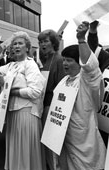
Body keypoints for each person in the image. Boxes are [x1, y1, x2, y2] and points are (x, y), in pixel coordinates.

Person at [55, 21, 106, 170]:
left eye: (69, 60)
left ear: (79, 62)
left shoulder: (87, 80)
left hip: (84, 139)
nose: (65, 63)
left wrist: (81, 39)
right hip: (65, 135)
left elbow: (91, 67)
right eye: (64, 59)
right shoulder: (64, 80)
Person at [0, 31, 46, 170]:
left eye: (20, 43)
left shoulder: (30, 65)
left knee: (25, 148)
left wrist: (12, 91)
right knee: (15, 146)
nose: (17, 46)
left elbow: (35, 91)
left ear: (27, 47)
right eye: (14, 44)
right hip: (12, 112)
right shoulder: (11, 65)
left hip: (26, 113)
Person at [37, 29, 65, 170]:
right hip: (42, 105)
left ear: (53, 42)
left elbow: (61, 88)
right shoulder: (45, 60)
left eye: (46, 41)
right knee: (46, 143)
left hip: (51, 107)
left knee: (51, 144)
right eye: (40, 41)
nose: (42, 44)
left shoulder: (59, 60)